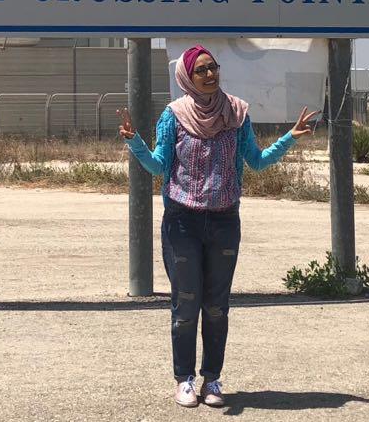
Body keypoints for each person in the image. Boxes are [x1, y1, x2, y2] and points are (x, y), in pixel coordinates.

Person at [118, 44, 318, 408]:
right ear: (187, 78)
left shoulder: (237, 113)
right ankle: (184, 380)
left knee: (216, 306)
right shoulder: (174, 115)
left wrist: (291, 137)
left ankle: (212, 380)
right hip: (183, 222)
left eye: (214, 67)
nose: (210, 74)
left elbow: (256, 161)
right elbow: (159, 166)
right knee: (186, 303)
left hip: (225, 220)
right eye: (202, 70)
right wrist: (135, 143)